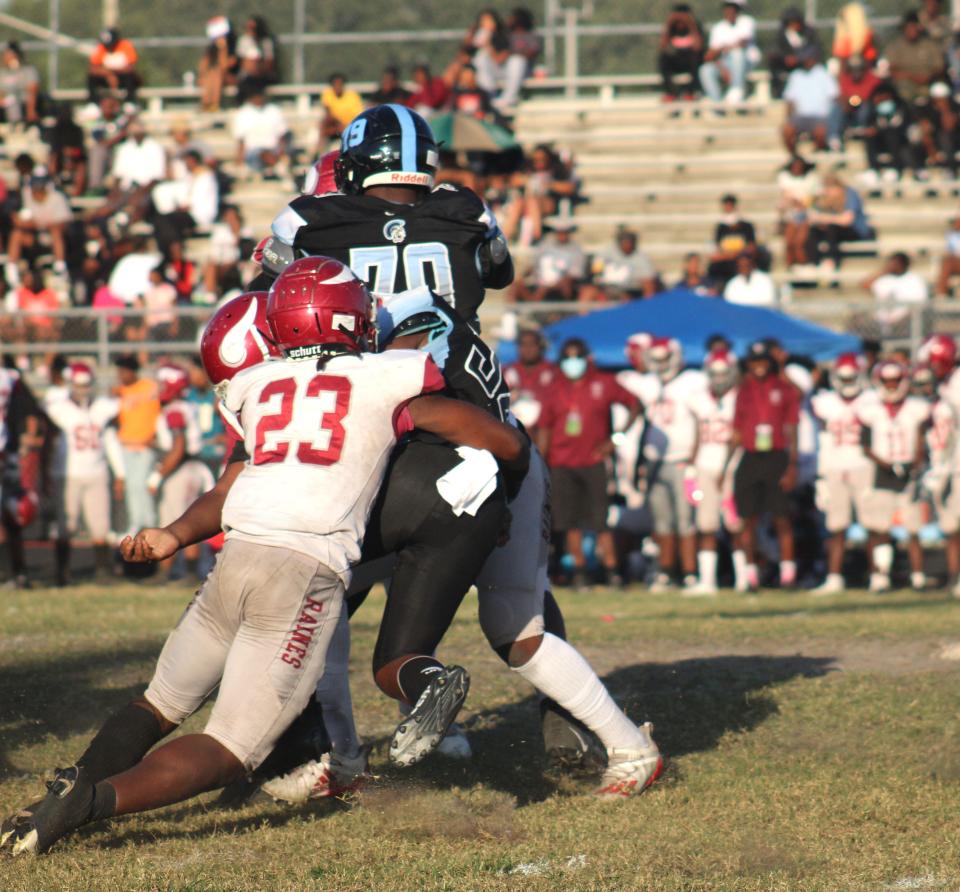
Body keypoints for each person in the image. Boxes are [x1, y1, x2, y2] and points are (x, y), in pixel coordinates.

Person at [0, 259, 532, 857]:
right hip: (303, 570)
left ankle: (61, 796)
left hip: (237, 558)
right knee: (231, 748)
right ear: (348, 317)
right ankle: (86, 805)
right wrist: (504, 481)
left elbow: (230, 487)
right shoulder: (390, 375)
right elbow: (502, 439)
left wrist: (173, 535)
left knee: (159, 702)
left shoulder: (257, 384)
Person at [261, 105, 513, 329]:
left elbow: (265, 289)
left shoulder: (313, 220)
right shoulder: (464, 209)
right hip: (455, 374)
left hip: (363, 375)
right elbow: (501, 274)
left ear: (360, 161)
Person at [537, 337, 639, 588]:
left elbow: (635, 405)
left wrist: (615, 440)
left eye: (578, 357)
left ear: (587, 358)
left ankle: (612, 570)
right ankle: (580, 571)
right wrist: (540, 461)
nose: (574, 363)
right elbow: (545, 428)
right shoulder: (555, 388)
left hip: (593, 462)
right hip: (562, 463)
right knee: (570, 522)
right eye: (569, 358)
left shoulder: (603, 382)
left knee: (600, 521)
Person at [628, 337, 701, 593]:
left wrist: (694, 456)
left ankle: (691, 574)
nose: (660, 364)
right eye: (655, 359)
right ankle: (666, 573)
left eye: (663, 359)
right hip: (654, 461)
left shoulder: (692, 382)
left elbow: (702, 420)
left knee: (685, 521)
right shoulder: (649, 385)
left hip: (682, 461)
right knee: (661, 523)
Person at [731, 340, 800, 590]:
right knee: (746, 518)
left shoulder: (783, 387)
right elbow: (737, 429)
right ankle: (750, 575)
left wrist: (792, 464)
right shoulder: (744, 389)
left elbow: (792, 426)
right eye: (754, 362)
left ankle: (788, 574)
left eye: (763, 362)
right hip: (750, 456)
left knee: (781, 518)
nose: (759, 366)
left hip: (776, 455)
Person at [857, 359, 931, 592]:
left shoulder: (916, 408)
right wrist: (886, 464)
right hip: (883, 472)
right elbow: (866, 445)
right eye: (887, 381)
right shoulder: (871, 410)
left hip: (909, 471)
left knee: (913, 528)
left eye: (895, 380)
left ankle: (918, 576)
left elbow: (921, 440)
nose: (891, 385)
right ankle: (880, 576)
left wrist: (914, 464)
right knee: (880, 528)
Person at [45, 362, 121, 586]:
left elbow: (109, 438)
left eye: (86, 385)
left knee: (100, 526)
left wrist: (120, 473)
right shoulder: (58, 407)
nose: (82, 390)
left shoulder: (102, 407)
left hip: (96, 471)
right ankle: (62, 573)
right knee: (65, 525)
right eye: (78, 385)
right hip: (67, 474)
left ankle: (102, 571)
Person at [809, 353, 874, 594]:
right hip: (836, 467)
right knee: (837, 527)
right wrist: (822, 476)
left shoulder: (870, 399)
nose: (847, 383)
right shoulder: (825, 402)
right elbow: (823, 437)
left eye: (851, 378)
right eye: (843, 378)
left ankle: (879, 577)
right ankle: (834, 577)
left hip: (863, 465)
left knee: (873, 525)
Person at [687, 347, 742, 594]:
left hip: (732, 467)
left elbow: (738, 436)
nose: (719, 379)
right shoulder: (699, 398)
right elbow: (697, 433)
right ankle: (707, 580)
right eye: (714, 373)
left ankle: (743, 578)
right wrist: (691, 463)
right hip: (705, 466)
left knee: (736, 524)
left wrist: (727, 467)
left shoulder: (740, 398)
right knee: (706, 524)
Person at [114, 354, 160, 534]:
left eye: (124, 371)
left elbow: (160, 409)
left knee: (142, 486)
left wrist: (155, 435)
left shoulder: (149, 387)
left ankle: (148, 524)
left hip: (144, 445)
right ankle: (136, 523)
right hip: (126, 445)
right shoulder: (121, 391)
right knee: (132, 487)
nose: (121, 375)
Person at [5, 172, 73, 286]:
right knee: (16, 234)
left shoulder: (57, 198)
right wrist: (31, 224)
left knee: (55, 232)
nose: (36, 191)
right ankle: (11, 269)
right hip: (34, 237)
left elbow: (63, 224)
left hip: (54, 239)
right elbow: (19, 220)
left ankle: (60, 267)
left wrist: (42, 224)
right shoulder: (26, 197)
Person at [152, 149, 219, 264]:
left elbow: (194, 202)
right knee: (161, 221)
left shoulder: (205, 177)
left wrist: (181, 207)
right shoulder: (191, 177)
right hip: (189, 213)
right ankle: (172, 251)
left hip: (199, 215)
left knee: (164, 220)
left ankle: (175, 255)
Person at [805, 174, 873, 270]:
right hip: (835, 230)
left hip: (855, 231)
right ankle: (813, 263)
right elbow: (813, 217)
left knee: (832, 229)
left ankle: (832, 262)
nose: (827, 193)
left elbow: (847, 220)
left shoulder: (850, 194)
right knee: (814, 231)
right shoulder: (825, 198)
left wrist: (825, 218)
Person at [699, 0, 757, 104]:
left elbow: (742, 43)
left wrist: (723, 48)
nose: (729, 11)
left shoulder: (747, 21)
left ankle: (737, 89)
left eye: (732, 7)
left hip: (746, 62)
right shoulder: (718, 28)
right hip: (724, 64)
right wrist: (722, 69)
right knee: (705, 70)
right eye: (727, 7)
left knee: (737, 53)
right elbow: (710, 55)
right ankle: (717, 104)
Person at [885, 11, 946, 112]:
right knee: (902, 91)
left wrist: (929, 77)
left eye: (914, 27)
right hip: (906, 83)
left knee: (941, 91)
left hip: (929, 81)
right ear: (903, 29)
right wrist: (912, 77)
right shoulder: (895, 47)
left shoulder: (930, 45)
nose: (911, 30)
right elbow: (892, 70)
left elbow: (939, 67)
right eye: (908, 28)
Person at [511, 221, 586, 303]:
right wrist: (522, 276)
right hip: (539, 283)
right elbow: (533, 266)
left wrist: (551, 285)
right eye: (559, 231)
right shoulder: (544, 246)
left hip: (561, 286)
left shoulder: (576, 250)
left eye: (565, 232)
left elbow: (574, 274)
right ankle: (511, 313)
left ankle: (537, 306)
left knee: (562, 286)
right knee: (516, 285)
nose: (562, 234)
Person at [579, 227, 659, 302]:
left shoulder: (641, 258)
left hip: (627, 290)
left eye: (630, 241)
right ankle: (582, 316)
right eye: (625, 241)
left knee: (627, 299)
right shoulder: (606, 253)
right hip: (604, 287)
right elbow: (595, 271)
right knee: (588, 292)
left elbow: (648, 280)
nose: (627, 244)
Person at [781, 48, 837, 154]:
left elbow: (834, 96)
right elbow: (790, 99)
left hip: (820, 116)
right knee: (787, 130)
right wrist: (789, 117)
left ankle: (816, 155)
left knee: (821, 132)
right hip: (800, 116)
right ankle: (796, 158)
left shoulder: (824, 74)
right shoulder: (795, 75)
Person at [503, 328, 557, 435]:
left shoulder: (554, 372)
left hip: (545, 434)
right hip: (514, 433)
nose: (528, 349)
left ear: (540, 347)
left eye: (532, 345)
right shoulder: (506, 372)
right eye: (523, 345)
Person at [860, 81, 914, 184]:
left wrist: (882, 129)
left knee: (891, 135)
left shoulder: (901, 108)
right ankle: (873, 169)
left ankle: (895, 168)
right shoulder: (873, 110)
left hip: (899, 140)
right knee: (870, 136)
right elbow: (870, 125)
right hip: (880, 141)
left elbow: (900, 126)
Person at [232, 89, 289, 180]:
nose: (258, 99)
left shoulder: (274, 110)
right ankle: (274, 166)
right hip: (252, 152)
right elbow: (241, 139)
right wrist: (239, 160)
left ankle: (275, 167)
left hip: (273, 149)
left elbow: (282, 135)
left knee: (270, 154)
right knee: (262, 154)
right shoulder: (243, 113)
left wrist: (282, 153)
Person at [777, 154, 820, 268]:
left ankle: (802, 263)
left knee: (800, 241)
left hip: (807, 213)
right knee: (790, 242)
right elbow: (786, 196)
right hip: (792, 213)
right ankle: (791, 264)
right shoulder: (784, 178)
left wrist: (804, 203)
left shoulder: (812, 179)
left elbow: (815, 197)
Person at [769, 8, 822, 99]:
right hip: (786, 64)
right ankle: (777, 93)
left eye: (796, 22)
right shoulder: (782, 35)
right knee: (773, 63)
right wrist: (785, 57)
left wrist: (799, 58)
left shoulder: (809, 33)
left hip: (804, 63)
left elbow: (815, 49)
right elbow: (775, 50)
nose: (794, 25)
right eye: (791, 23)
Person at [708, 193, 759, 284]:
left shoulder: (746, 226)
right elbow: (717, 249)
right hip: (725, 263)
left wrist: (735, 254)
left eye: (730, 205)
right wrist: (726, 256)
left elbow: (751, 247)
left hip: (741, 260)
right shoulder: (720, 228)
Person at [658, 4, 704, 101]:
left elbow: (698, 47)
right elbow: (662, 47)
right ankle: (670, 93)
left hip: (691, 62)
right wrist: (669, 23)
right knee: (663, 59)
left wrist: (691, 24)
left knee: (695, 58)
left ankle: (691, 92)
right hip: (676, 61)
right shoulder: (671, 29)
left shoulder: (695, 27)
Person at [498, 7, 541, 110]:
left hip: (523, 70)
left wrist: (514, 53)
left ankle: (509, 97)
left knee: (516, 61)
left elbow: (532, 53)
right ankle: (489, 97)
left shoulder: (530, 35)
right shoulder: (506, 35)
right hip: (505, 68)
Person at [87, 28, 139, 103]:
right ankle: (93, 104)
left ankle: (130, 103)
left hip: (123, 79)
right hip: (107, 79)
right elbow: (93, 69)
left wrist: (112, 72)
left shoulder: (125, 45)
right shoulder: (101, 47)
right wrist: (109, 74)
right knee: (91, 79)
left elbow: (130, 68)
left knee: (130, 77)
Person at [197, 17, 237, 113]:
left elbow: (224, 67)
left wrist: (223, 49)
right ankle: (210, 105)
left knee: (216, 74)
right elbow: (203, 66)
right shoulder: (210, 49)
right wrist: (202, 76)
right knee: (213, 75)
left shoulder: (233, 47)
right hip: (212, 79)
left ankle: (210, 104)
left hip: (230, 77)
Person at [235, 16, 277, 104]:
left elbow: (269, 63)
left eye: (253, 28)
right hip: (247, 76)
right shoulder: (244, 41)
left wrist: (259, 68)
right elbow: (242, 63)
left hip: (262, 75)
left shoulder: (266, 42)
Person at [0, 42, 40, 125]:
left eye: (11, 55)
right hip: (5, 103)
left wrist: (31, 110)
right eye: (7, 55)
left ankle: (16, 125)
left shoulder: (28, 70)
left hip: (22, 101)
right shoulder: (2, 72)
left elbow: (33, 89)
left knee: (13, 103)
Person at [319, 73, 364, 141]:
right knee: (324, 123)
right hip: (335, 124)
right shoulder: (327, 94)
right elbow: (328, 113)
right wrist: (339, 124)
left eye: (339, 84)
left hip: (351, 125)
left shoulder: (353, 96)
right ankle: (319, 147)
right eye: (335, 84)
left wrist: (346, 126)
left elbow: (359, 114)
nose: (337, 87)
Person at [936, 214, 960, 296]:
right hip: (955, 260)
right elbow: (949, 250)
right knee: (946, 264)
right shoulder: (951, 235)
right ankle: (941, 292)